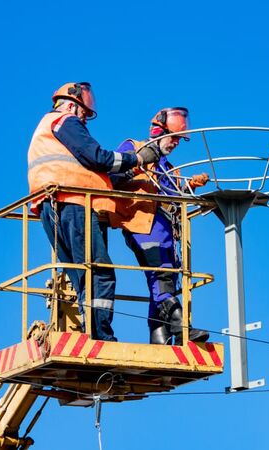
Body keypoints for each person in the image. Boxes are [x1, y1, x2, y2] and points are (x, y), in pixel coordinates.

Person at [27, 82, 161, 341]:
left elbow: (97, 171)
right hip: (73, 202)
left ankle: (92, 331)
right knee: (99, 272)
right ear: (70, 104)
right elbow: (98, 158)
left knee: (82, 274)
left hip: (52, 204)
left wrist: (129, 173)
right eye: (84, 114)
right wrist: (139, 158)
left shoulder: (47, 131)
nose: (85, 121)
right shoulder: (64, 121)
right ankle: (101, 337)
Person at [109, 107, 211, 345]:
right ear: (158, 131)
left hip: (166, 230)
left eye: (179, 139)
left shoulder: (167, 167)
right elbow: (111, 177)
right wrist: (135, 166)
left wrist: (189, 187)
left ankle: (160, 336)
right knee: (160, 274)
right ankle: (180, 327)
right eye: (173, 137)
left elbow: (170, 197)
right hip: (142, 224)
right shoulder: (133, 149)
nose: (176, 143)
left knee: (168, 278)